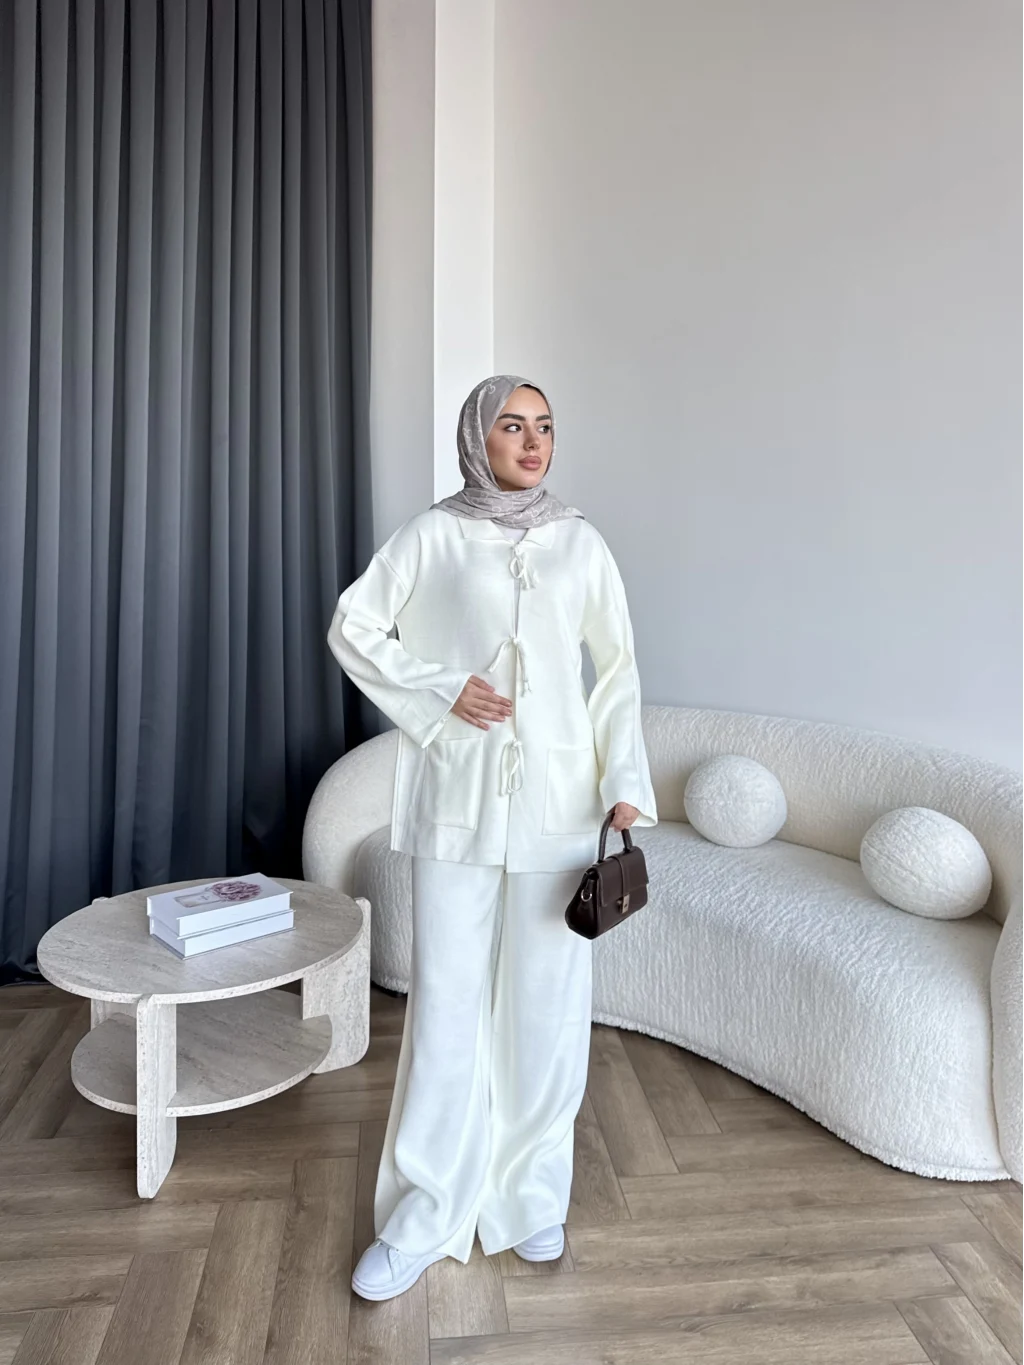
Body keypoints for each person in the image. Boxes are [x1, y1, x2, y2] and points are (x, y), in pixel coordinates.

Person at [327, 374, 658, 1301]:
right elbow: (355, 625)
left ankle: (530, 1198)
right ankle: (423, 1212)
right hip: (458, 803)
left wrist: (625, 782)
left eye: (545, 425)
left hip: (562, 808)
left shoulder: (581, 541)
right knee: (446, 1006)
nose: (533, 441)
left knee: (547, 1008)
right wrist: (441, 689)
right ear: (478, 436)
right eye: (513, 425)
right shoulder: (433, 534)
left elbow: (617, 670)